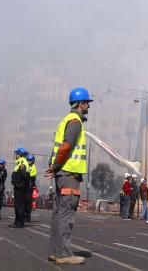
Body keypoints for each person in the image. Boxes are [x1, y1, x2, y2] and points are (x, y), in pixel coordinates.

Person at [47, 87, 93, 265]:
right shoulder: (75, 122)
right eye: (87, 103)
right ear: (81, 104)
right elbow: (66, 146)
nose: (88, 107)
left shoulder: (66, 120)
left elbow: (58, 146)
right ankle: (64, 254)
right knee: (66, 214)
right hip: (69, 173)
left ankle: (55, 252)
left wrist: (53, 167)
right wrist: (57, 166)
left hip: (62, 173)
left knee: (59, 214)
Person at [11, 147, 30, 228]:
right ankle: (17, 221)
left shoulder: (22, 163)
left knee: (20, 205)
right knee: (17, 205)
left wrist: (20, 185)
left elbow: (25, 177)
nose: (16, 155)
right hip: (18, 187)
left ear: (21, 154)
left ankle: (20, 222)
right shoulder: (19, 163)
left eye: (17, 153)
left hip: (20, 188)